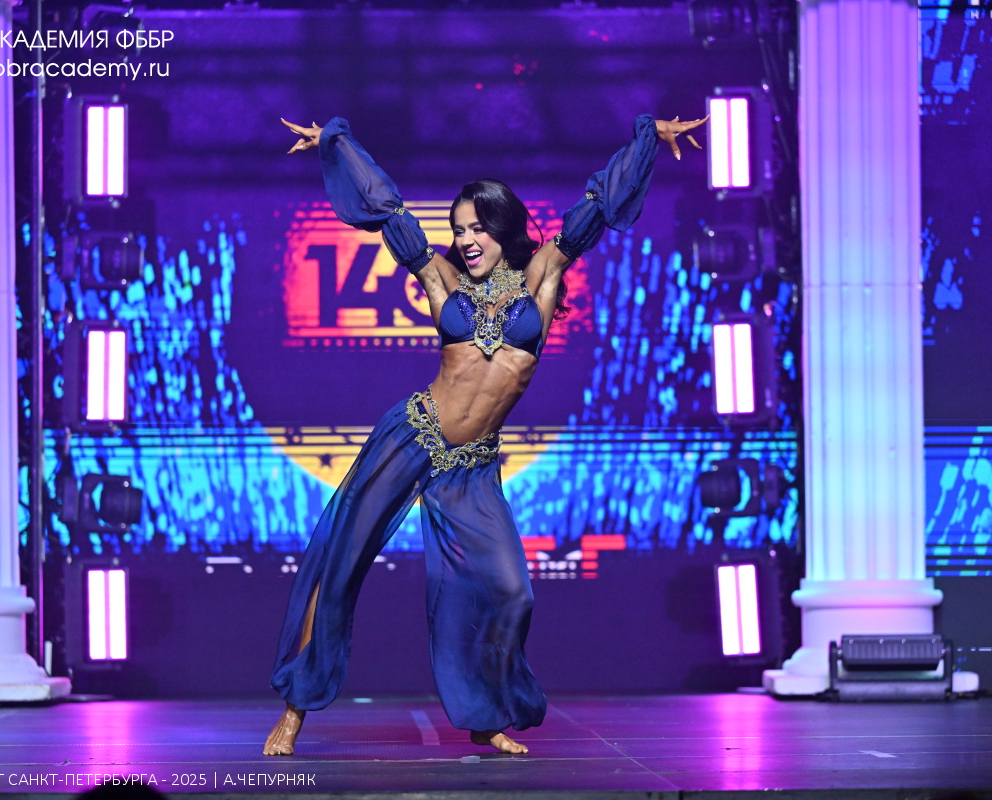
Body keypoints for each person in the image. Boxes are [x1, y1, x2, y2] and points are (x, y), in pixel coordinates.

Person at [264, 112, 707, 757]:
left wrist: (647, 141)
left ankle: (483, 711)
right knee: (340, 560)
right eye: (459, 229)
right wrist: (336, 141)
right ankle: (294, 709)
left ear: (503, 228)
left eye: (477, 228)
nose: (466, 239)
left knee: (510, 590)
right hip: (411, 434)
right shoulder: (441, 278)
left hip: (470, 466)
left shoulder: (542, 277)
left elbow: (597, 206)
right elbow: (389, 212)